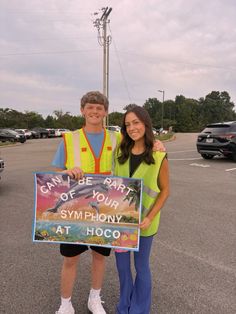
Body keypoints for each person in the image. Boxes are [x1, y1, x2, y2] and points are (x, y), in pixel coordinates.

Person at [52, 92, 166, 314]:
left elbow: (140, 140)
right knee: (70, 259)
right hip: (76, 209)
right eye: (90, 107)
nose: (94, 111)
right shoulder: (69, 138)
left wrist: (158, 142)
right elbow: (56, 174)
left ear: (105, 112)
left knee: (99, 257)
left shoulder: (116, 138)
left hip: (104, 210)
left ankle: (94, 299)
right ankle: (65, 304)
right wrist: (66, 172)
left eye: (99, 108)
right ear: (82, 110)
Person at [114, 105, 170, 314]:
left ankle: (139, 309)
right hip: (121, 222)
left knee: (141, 266)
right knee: (121, 267)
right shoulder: (120, 151)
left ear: (145, 124)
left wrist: (150, 217)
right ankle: (124, 305)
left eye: (136, 122)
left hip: (146, 223)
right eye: (128, 124)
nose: (132, 128)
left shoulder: (158, 155)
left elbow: (165, 191)